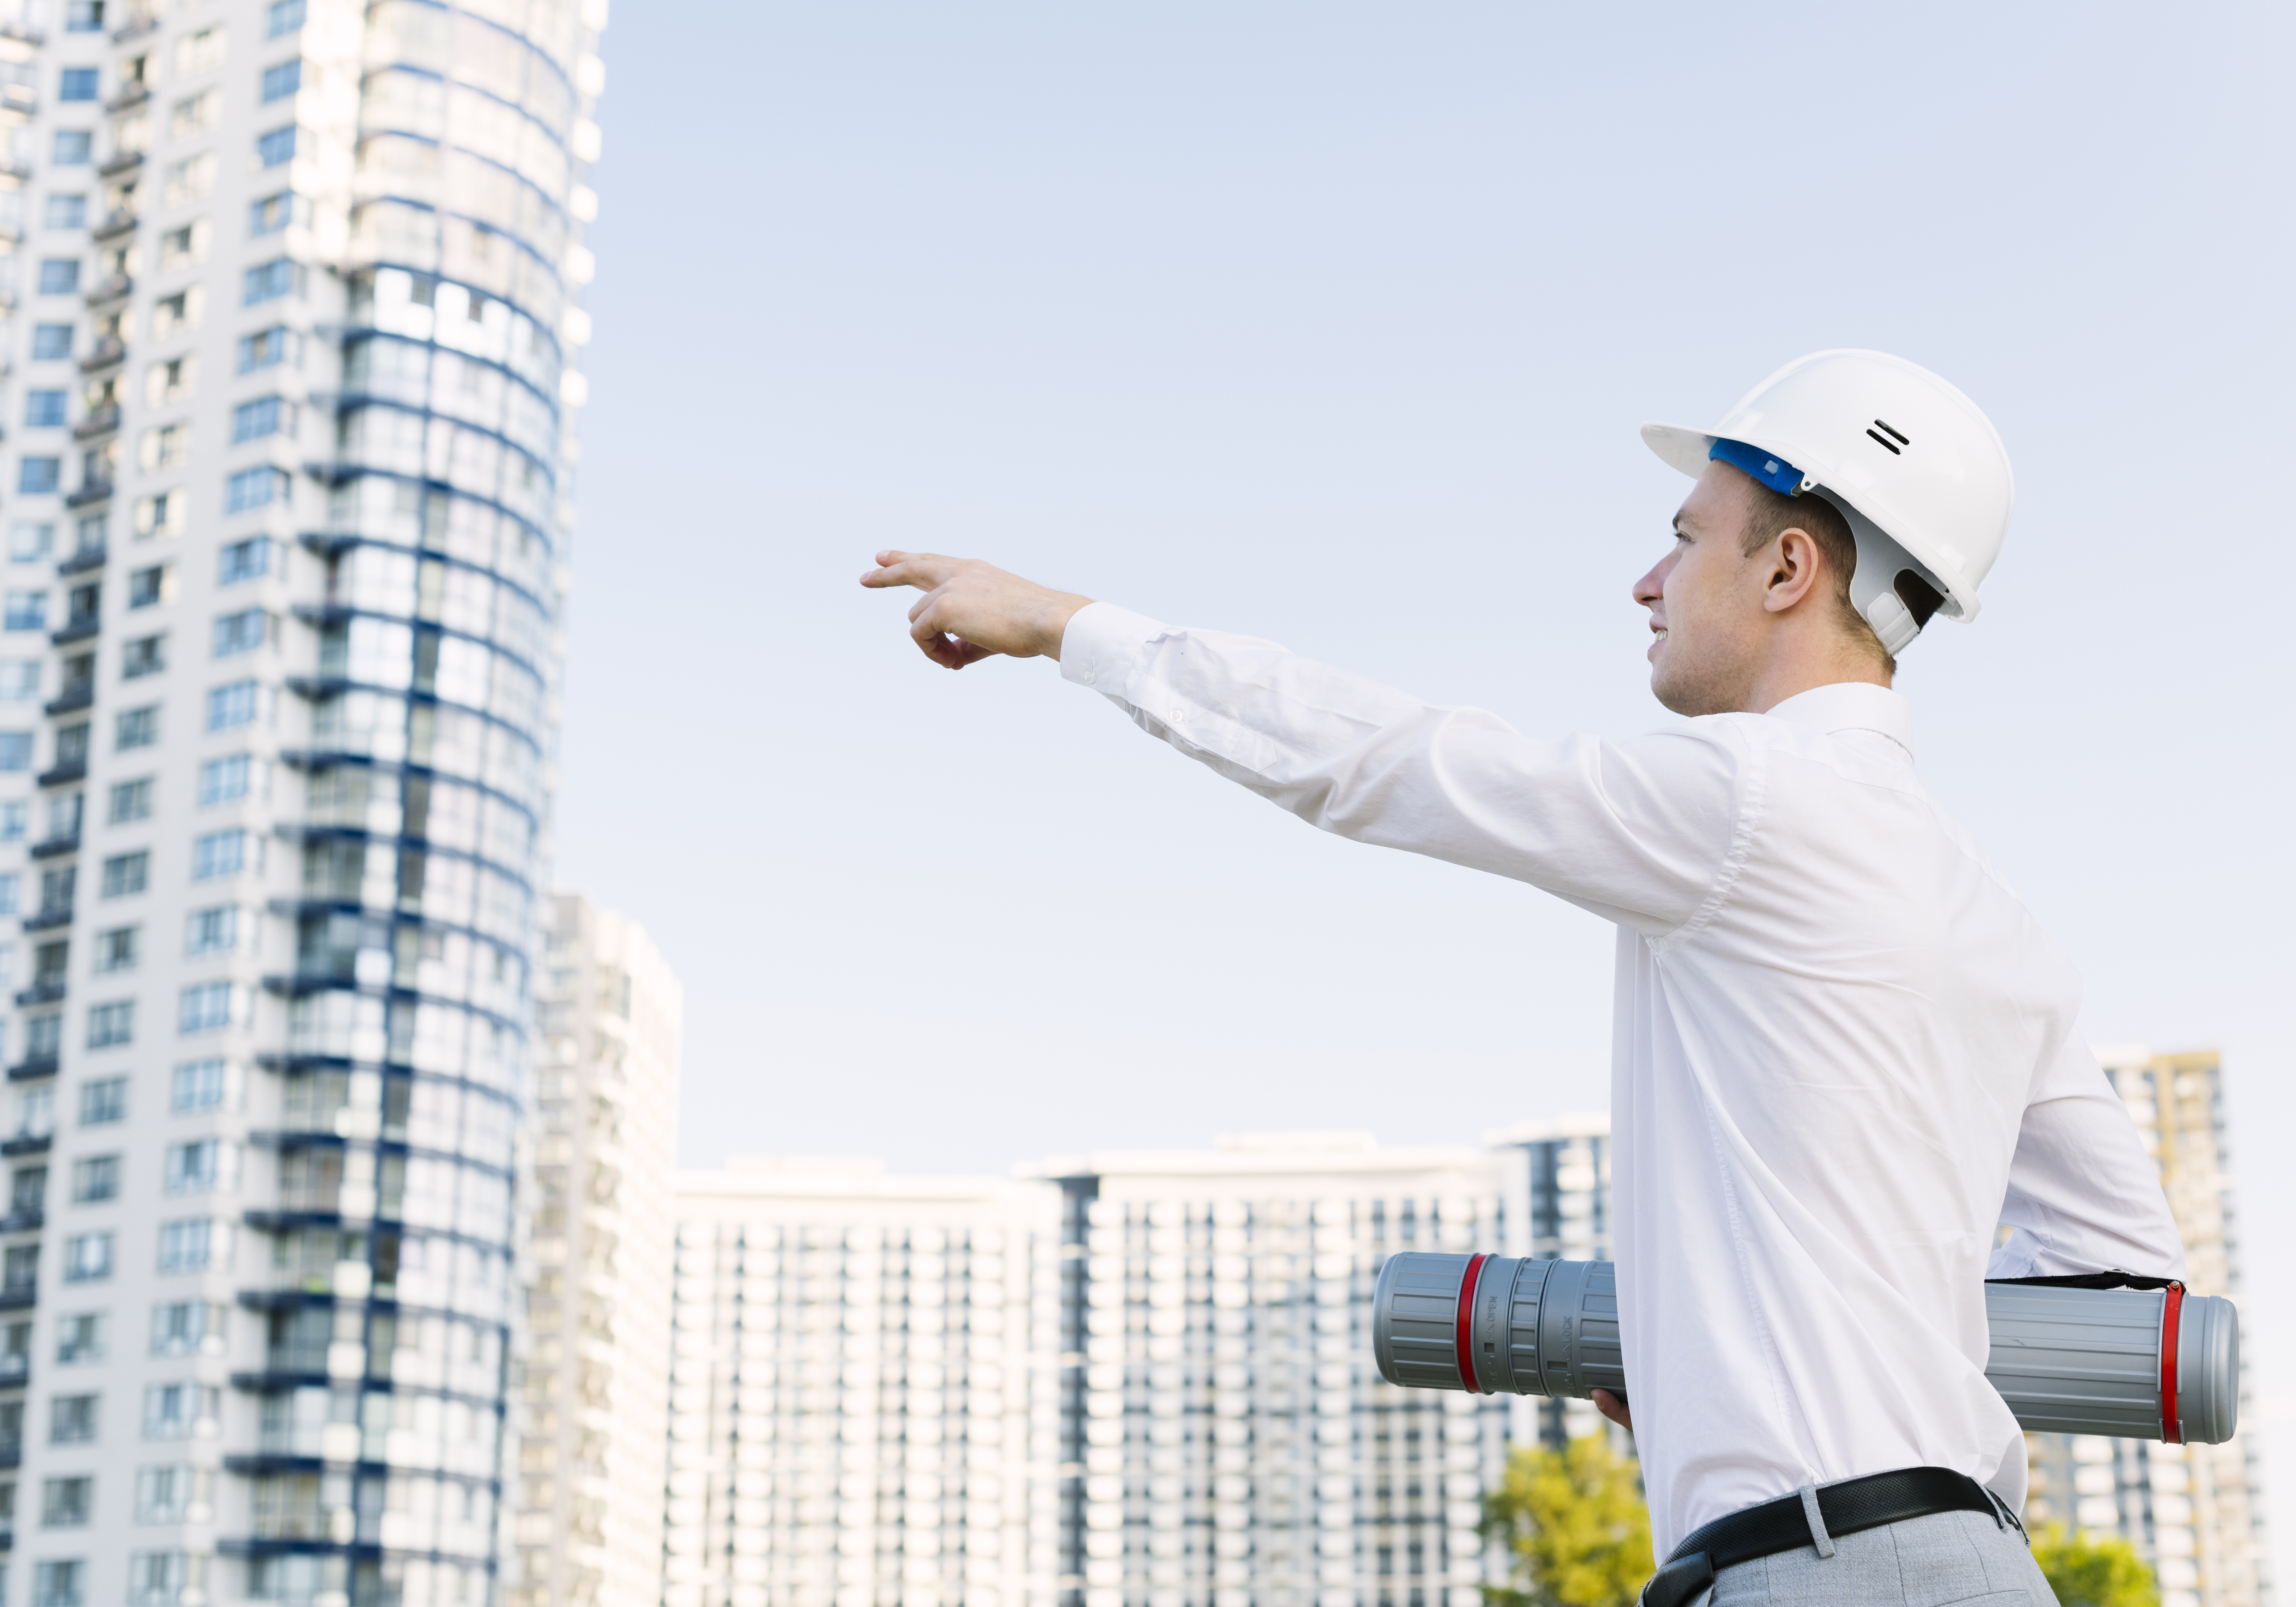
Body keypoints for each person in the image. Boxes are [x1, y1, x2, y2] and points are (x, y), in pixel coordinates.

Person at [859, 349, 2185, 1607]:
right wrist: (1747, 1333)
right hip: (1971, 1564)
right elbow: (2125, 1282)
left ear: (1786, 566)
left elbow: (1385, 760)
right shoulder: (1996, 916)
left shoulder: (1752, 804)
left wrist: (1064, 625)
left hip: (1823, 1569)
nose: (1645, 582)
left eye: (1681, 535)